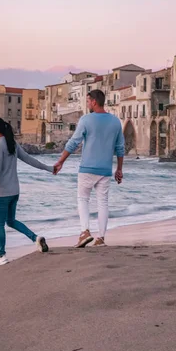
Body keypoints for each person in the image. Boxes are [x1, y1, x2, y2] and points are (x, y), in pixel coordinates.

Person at [53, 89, 124, 247]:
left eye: (88, 101)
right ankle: (101, 238)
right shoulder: (115, 122)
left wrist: (61, 161)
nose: (87, 103)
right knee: (103, 203)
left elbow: (73, 143)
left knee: (83, 199)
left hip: (87, 168)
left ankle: (85, 232)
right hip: (105, 170)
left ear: (94, 102)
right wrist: (119, 169)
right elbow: (120, 148)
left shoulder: (86, 120)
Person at [0, 118, 53, 268]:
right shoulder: (11, 143)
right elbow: (29, 159)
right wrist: (49, 168)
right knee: (11, 221)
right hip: (14, 191)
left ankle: (1, 256)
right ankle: (35, 238)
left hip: (1, 193)